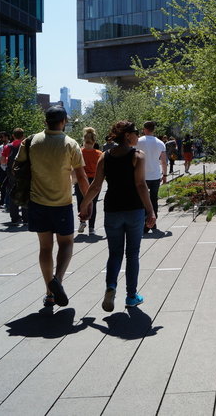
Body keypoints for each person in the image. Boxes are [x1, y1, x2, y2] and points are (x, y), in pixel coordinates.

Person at [16, 106, 89, 308]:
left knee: (45, 247)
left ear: (45, 120)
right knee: (66, 243)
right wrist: (87, 201)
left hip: (37, 202)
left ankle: (49, 294)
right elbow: (82, 176)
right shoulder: (70, 144)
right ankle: (57, 280)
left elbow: (17, 167)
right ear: (64, 120)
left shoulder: (30, 141)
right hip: (62, 203)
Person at [79, 120, 156, 311]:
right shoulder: (138, 155)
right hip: (134, 210)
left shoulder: (105, 157)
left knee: (114, 253)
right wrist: (150, 210)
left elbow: (96, 185)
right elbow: (140, 185)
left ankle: (111, 287)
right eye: (136, 133)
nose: (138, 136)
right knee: (132, 254)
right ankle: (131, 296)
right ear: (128, 135)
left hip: (112, 209)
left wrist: (84, 204)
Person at [136, 121, 167, 233]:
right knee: (153, 199)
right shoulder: (160, 143)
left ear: (144, 129)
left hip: (141, 175)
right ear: (154, 129)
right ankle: (153, 222)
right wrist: (164, 175)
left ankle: (145, 222)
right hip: (155, 175)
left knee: (142, 199)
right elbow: (163, 161)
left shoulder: (138, 141)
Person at [76, 127, 102, 234]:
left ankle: (82, 221)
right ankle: (92, 227)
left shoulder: (79, 152)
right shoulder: (99, 154)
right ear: (94, 141)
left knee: (81, 201)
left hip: (80, 179)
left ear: (83, 139)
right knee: (93, 203)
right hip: (94, 180)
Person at [3, 129, 28, 224]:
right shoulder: (26, 146)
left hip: (12, 174)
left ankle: (15, 218)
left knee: (13, 194)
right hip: (24, 174)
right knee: (25, 194)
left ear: (13, 136)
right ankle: (26, 219)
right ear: (23, 135)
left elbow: (2, 161)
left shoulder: (8, 147)